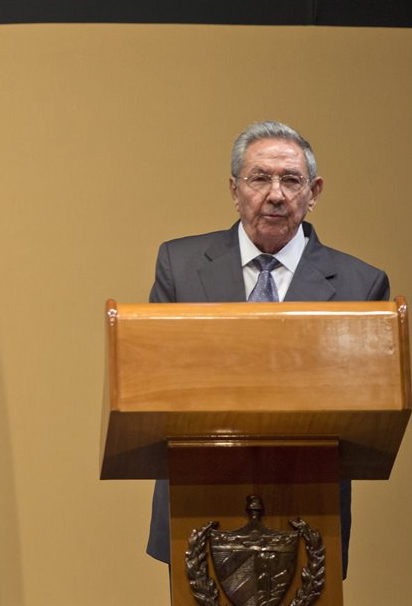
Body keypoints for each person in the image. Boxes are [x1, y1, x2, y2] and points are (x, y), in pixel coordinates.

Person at [145, 120, 388, 578]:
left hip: (307, 506)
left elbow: (361, 412)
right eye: (260, 178)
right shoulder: (179, 265)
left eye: (290, 180)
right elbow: (158, 384)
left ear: (313, 192)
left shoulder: (361, 283)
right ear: (235, 189)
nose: (275, 194)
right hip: (199, 500)